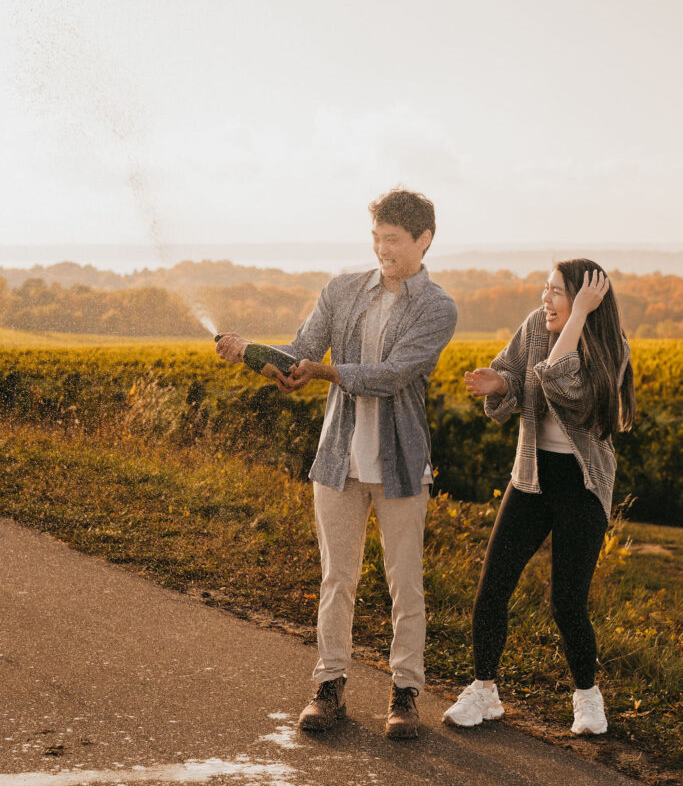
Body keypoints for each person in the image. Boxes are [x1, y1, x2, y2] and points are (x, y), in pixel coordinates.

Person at [216, 189, 457, 739]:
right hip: (337, 462)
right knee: (336, 580)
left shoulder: (437, 307)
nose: (382, 249)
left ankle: (405, 695)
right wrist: (251, 353)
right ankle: (329, 687)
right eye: (376, 238)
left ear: (424, 239)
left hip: (401, 466)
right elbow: (300, 352)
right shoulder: (341, 290)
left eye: (393, 239)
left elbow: (393, 376)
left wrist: (323, 372)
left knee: (405, 585)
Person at [442, 260, 635, 736]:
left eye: (556, 292)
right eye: (544, 289)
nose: (545, 300)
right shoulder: (534, 326)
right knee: (492, 587)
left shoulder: (611, 346)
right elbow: (512, 373)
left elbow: (566, 387)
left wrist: (578, 316)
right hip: (530, 476)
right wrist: (500, 383)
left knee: (567, 602)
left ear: (586, 300)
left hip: (583, 485)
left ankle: (587, 697)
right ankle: (484, 690)